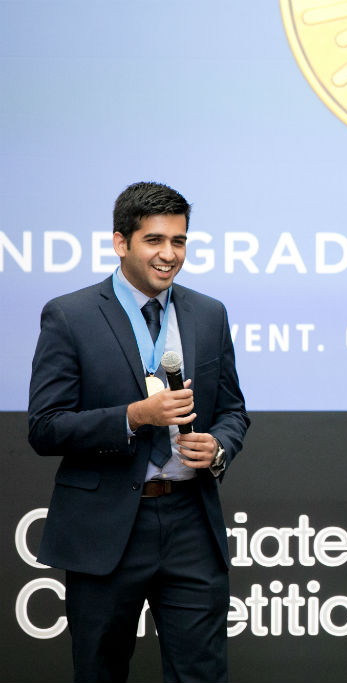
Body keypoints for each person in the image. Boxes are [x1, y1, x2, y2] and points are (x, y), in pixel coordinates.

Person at [28, 181, 249, 682]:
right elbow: (44, 428)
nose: (169, 255)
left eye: (179, 241)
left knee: (202, 674)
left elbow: (234, 411)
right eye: (154, 240)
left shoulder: (208, 313)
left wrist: (218, 447)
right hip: (106, 526)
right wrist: (135, 417)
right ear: (120, 243)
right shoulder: (70, 315)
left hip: (192, 519)